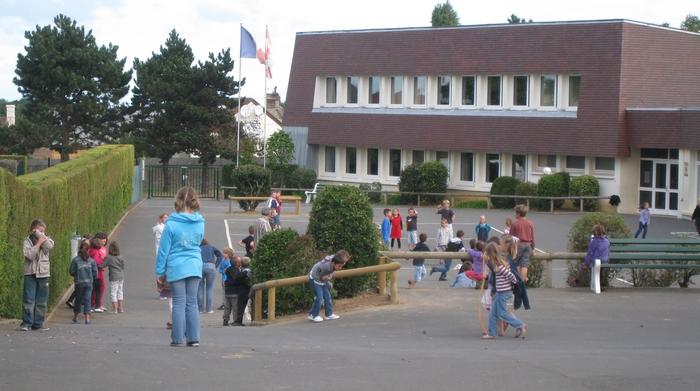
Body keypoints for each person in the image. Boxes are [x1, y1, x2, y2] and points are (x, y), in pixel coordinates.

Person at [155, 186, 205, 347]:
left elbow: (163, 251)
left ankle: (177, 338)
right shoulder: (200, 222)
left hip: (176, 266)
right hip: (195, 264)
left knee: (178, 302)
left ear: (177, 200)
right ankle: (193, 338)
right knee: (192, 302)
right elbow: (199, 241)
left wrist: (160, 273)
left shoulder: (171, 224)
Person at [482, 242, 527, 339]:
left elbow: (510, 275)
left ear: (491, 254)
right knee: (493, 313)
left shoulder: (500, 266)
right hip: (500, 292)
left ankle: (520, 325)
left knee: (502, 313)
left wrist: (514, 282)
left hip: (504, 292)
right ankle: (492, 333)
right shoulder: (499, 264)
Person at [21, 219, 54, 331]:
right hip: (30, 274)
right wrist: (38, 243)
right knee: (29, 300)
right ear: (33, 230)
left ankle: (38, 323)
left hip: (44, 274)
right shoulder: (27, 241)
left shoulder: (47, 240)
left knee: (42, 301)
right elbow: (29, 255)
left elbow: (49, 247)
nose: (42, 233)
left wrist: (42, 240)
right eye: (40, 231)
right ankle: (26, 323)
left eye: (43, 231)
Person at [307, 250, 350, 322]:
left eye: (343, 264)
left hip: (322, 278)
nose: (340, 268)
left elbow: (331, 271)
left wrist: (328, 278)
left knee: (327, 297)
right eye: (339, 266)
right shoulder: (325, 266)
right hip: (315, 279)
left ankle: (329, 314)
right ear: (334, 262)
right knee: (319, 298)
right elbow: (318, 276)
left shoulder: (335, 259)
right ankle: (313, 315)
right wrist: (325, 278)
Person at [69, 241, 97, 324]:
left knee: (78, 300)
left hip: (79, 283)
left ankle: (75, 317)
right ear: (88, 250)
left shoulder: (75, 260)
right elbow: (95, 272)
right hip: (89, 283)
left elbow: (71, 271)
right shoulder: (91, 261)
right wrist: (91, 277)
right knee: (87, 299)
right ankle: (87, 318)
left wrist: (76, 275)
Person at [509, 205, 535, 283]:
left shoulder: (515, 224)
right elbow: (532, 237)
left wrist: (510, 248)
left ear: (519, 214)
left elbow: (511, 237)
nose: (514, 214)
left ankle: (516, 281)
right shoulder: (530, 223)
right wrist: (533, 248)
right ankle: (522, 282)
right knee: (524, 265)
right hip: (528, 245)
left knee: (514, 263)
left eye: (515, 213)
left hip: (518, 245)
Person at [198, 239, 222, 314]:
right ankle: (209, 309)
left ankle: (200, 309)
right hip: (211, 266)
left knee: (200, 288)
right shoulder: (211, 247)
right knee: (210, 288)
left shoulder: (198, 248)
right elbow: (220, 255)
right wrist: (216, 265)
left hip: (200, 266)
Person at [102, 241, 126, 313]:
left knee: (113, 292)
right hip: (121, 276)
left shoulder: (109, 258)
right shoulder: (121, 257)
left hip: (113, 276)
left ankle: (114, 309)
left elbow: (102, 265)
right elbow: (123, 266)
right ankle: (120, 308)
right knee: (120, 291)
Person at [230, 257, 252, 326]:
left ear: (241, 264)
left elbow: (237, 279)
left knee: (241, 306)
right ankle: (254, 318)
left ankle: (238, 321)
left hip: (243, 290)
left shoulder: (241, 271)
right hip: (251, 289)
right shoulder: (251, 271)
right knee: (253, 304)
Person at [89, 234, 108, 312]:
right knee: (100, 288)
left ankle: (94, 304)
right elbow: (97, 262)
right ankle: (97, 305)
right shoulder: (96, 252)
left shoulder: (91, 250)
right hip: (97, 272)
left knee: (94, 288)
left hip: (94, 272)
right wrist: (103, 263)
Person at [222, 256, 241, 326]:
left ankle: (225, 320)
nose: (240, 262)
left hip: (228, 292)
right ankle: (236, 320)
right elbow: (236, 279)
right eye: (239, 261)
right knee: (235, 307)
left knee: (227, 307)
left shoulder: (228, 269)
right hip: (234, 292)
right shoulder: (236, 270)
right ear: (237, 263)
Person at [153, 214, 169, 300]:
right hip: (161, 253)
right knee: (161, 273)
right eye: (165, 217)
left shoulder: (163, 226)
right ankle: (161, 292)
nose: (167, 218)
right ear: (161, 218)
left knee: (164, 273)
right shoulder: (159, 228)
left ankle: (163, 292)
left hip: (164, 252)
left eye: (167, 217)